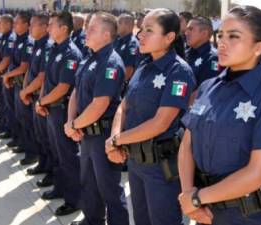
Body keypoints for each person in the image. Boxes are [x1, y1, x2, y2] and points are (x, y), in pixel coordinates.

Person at [177, 6, 261, 225]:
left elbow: (257, 173)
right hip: (205, 211)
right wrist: (189, 195)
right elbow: (187, 145)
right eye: (221, 35)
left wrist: (197, 198)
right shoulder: (208, 87)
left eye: (233, 36)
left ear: (258, 47)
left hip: (246, 216)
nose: (222, 42)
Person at [105, 8, 196, 225]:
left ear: (169, 37)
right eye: (141, 29)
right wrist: (115, 138)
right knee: (142, 219)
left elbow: (160, 123)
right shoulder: (145, 64)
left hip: (160, 166)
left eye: (149, 30)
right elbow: (124, 105)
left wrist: (117, 140)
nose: (140, 35)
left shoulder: (178, 72)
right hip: (136, 160)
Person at [63, 12, 130, 225]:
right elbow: (76, 91)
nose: (85, 32)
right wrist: (71, 122)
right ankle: (92, 220)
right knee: (89, 183)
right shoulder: (89, 57)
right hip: (86, 133)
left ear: (106, 34)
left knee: (109, 188)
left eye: (91, 29)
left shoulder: (110, 63)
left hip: (102, 134)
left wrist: (74, 124)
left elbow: (100, 105)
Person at [35, 11, 82, 216]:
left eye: (52, 24)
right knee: (56, 152)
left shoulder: (71, 53)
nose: (48, 28)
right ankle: (60, 188)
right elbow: (47, 79)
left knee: (68, 156)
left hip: (62, 110)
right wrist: (43, 100)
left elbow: (63, 87)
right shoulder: (54, 48)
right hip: (50, 108)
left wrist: (42, 101)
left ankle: (74, 199)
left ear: (64, 28)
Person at [20, 13, 54, 187]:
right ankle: (42, 164)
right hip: (33, 96)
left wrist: (29, 92)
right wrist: (25, 90)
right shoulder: (37, 45)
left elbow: (42, 77)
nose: (30, 28)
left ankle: (51, 173)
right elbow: (30, 71)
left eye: (33, 25)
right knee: (39, 136)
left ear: (43, 27)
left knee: (47, 139)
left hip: (42, 100)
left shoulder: (47, 47)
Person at [2, 11, 37, 165]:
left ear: (26, 24)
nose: (14, 25)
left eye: (17, 23)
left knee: (27, 121)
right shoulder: (18, 40)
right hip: (17, 84)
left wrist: (7, 75)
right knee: (20, 117)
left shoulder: (28, 42)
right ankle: (23, 144)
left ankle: (32, 152)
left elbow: (24, 67)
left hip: (23, 85)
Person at [185, 16, 220, 89]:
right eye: (187, 29)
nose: (186, 33)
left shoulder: (214, 58)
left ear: (204, 33)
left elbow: (205, 90)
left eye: (190, 29)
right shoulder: (186, 53)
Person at [114, 13, 139, 82]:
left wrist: (117, 84)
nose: (116, 26)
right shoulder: (118, 40)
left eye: (119, 23)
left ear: (127, 25)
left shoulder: (132, 44)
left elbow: (129, 70)